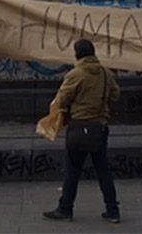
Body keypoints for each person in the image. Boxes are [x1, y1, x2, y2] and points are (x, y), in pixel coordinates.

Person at [43, 39, 121, 223]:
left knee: (72, 171)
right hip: (100, 128)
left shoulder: (76, 74)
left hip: (79, 128)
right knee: (103, 171)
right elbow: (116, 94)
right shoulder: (105, 73)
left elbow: (62, 100)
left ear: (77, 54)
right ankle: (112, 210)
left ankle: (65, 209)